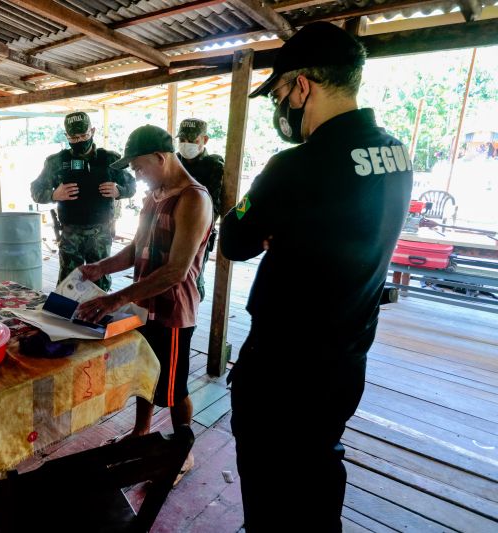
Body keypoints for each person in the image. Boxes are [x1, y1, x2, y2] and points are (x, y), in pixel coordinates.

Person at [220, 22, 412, 531]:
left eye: (280, 93)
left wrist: (265, 225)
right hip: (345, 360)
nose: (282, 108)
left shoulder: (294, 168)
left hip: (283, 370)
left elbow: (234, 241)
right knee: (321, 467)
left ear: (302, 85)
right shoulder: (396, 155)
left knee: (270, 488)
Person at [75, 125, 213, 475]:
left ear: (160, 157)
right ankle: (140, 431)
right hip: (144, 305)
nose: (137, 174)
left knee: (174, 386)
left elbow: (175, 272)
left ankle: (184, 450)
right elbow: (137, 248)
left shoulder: (194, 199)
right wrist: (101, 267)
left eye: (139, 167)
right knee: (144, 375)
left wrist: (113, 300)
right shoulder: (154, 195)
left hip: (173, 312)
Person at [30, 111, 136, 291]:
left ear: (92, 131)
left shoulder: (109, 159)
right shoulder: (56, 162)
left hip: (101, 233)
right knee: (68, 285)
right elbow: (36, 190)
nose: (79, 140)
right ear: (66, 136)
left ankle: (97, 317)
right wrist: (54, 194)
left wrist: (119, 191)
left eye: (83, 135)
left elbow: (132, 185)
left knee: (100, 283)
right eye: (73, 137)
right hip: (71, 233)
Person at [176, 118, 225, 300]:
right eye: (182, 140)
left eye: (192, 141)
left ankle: (189, 321)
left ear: (204, 140)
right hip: (170, 230)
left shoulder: (214, 166)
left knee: (192, 282)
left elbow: (217, 206)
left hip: (198, 234)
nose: (186, 145)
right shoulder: (174, 161)